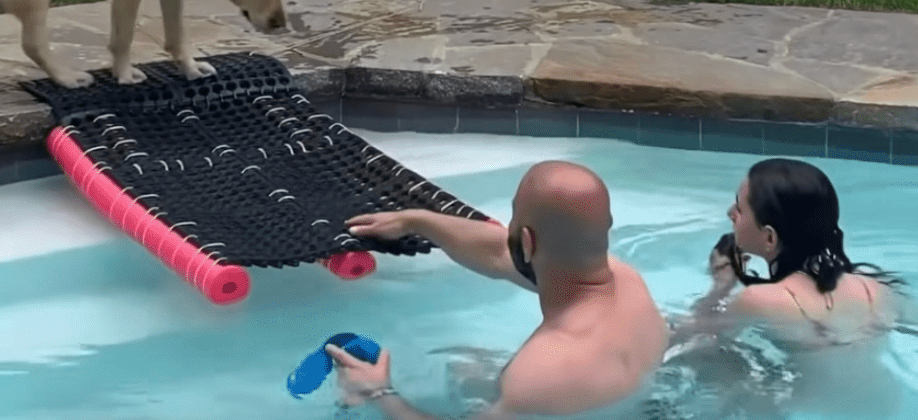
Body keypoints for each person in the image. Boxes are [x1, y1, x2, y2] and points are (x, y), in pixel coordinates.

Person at [324, 161, 669, 418]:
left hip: (557, 392)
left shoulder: (543, 370)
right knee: (470, 370)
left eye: (514, 222)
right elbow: (499, 253)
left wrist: (380, 392)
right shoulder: (629, 283)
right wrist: (418, 221)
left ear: (529, 242)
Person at [681, 157, 905, 347]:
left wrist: (720, 287)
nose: (730, 212)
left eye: (739, 208)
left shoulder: (759, 299)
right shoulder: (875, 290)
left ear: (769, 238)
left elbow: (689, 339)